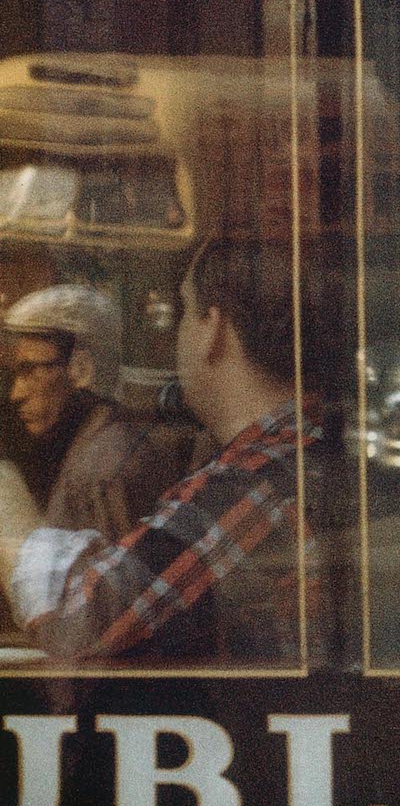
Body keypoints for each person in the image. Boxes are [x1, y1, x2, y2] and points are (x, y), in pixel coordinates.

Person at [0, 236, 345, 661]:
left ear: (212, 329)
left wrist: (8, 504)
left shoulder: (259, 479)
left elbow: (80, 619)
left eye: (182, 313)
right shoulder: (308, 449)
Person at [4, 285, 203, 541]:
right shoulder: (98, 446)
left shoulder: (102, 472)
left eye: (30, 371)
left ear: (82, 368)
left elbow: (116, 580)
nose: (16, 394)